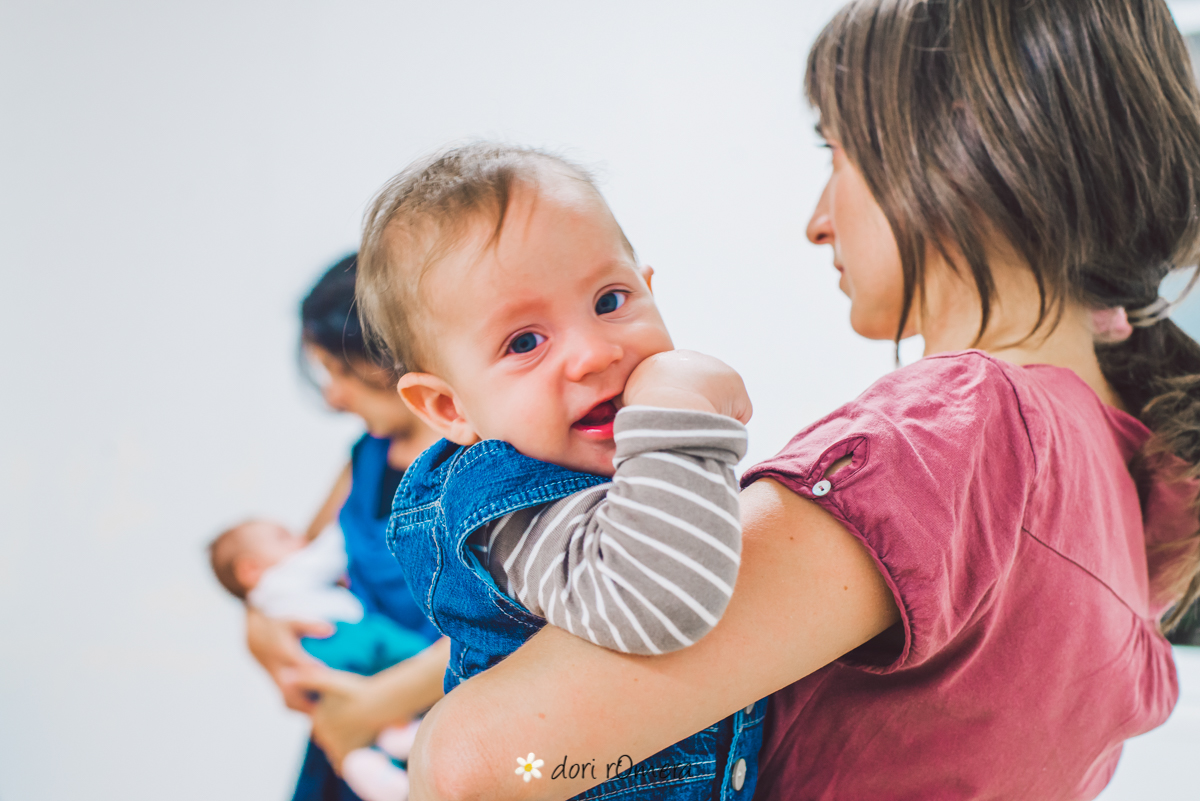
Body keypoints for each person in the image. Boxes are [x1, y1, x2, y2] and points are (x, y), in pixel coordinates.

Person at [383, 2, 1200, 799]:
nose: (817, 221)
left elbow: (481, 769)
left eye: (835, 154)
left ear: (961, 145)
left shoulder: (959, 427)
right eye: (524, 342)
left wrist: (677, 416)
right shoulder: (1124, 480)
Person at [338, 142, 759, 799]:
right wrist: (682, 406)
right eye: (525, 342)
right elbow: (658, 597)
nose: (595, 352)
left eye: (611, 300)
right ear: (449, 407)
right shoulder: (506, 506)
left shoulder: (620, 461)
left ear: (650, 287)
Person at [245, 255, 450, 801]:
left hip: (443, 737)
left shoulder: (487, 462)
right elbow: (294, 568)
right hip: (354, 742)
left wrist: (372, 707)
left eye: (338, 372)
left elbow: (523, 627)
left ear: (384, 355)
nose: (334, 398)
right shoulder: (365, 456)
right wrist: (263, 631)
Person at [211, 520, 426, 800]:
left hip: (334, 665)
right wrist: (344, 523)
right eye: (284, 537)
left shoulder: (269, 595)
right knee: (399, 652)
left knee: (352, 712)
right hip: (340, 637)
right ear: (249, 569)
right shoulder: (287, 576)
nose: (302, 540)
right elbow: (333, 547)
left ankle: (371, 757)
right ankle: (397, 737)